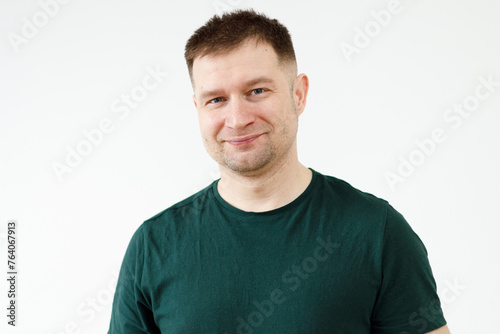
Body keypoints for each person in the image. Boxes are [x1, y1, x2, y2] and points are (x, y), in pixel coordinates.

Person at [108, 9, 450, 334]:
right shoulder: (153, 246)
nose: (238, 118)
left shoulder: (377, 233)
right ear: (197, 108)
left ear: (298, 94)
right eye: (216, 99)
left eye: (257, 91)